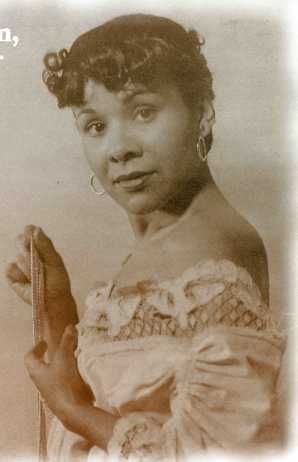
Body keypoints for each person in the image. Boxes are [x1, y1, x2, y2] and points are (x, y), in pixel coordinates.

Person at [5, 13, 285, 461]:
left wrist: (71, 408)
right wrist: (57, 307)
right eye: (96, 126)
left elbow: (212, 453)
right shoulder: (170, 243)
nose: (119, 149)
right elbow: (121, 402)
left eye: (143, 111)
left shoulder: (214, 252)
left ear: (204, 113)